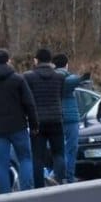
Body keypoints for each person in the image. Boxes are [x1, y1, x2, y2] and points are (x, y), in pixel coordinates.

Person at [0, 49, 38, 194]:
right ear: (8, 61)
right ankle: (26, 191)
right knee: (25, 159)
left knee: (2, 164)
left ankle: (5, 196)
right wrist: (34, 124)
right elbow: (29, 104)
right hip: (19, 127)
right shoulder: (18, 80)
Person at [23, 48, 66, 189]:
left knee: (37, 157)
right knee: (58, 153)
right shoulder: (59, 77)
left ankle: (39, 186)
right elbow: (60, 96)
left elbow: (27, 100)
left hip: (37, 122)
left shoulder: (28, 77)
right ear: (50, 61)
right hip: (56, 119)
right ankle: (58, 179)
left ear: (36, 60)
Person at [52, 53, 89, 184]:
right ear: (66, 65)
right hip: (71, 118)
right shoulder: (68, 77)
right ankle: (68, 176)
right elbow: (76, 80)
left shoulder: (50, 78)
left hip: (55, 117)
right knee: (71, 149)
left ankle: (55, 174)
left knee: (58, 149)